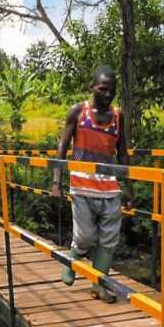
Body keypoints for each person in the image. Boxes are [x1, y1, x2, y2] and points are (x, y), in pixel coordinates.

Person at [51, 65, 133, 303]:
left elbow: (123, 152)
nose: (108, 95)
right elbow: (62, 148)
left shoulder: (118, 116)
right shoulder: (78, 112)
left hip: (109, 187)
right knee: (86, 237)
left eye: (112, 90)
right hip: (81, 185)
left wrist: (128, 186)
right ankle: (73, 258)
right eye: (103, 89)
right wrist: (57, 181)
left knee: (109, 240)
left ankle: (100, 285)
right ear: (92, 88)